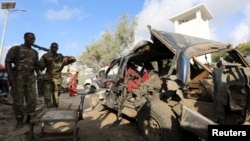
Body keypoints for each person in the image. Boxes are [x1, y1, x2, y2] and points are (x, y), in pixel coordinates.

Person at [5, 32, 41, 128]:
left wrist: (39, 75)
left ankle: (29, 118)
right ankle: (19, 120)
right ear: (24, 38)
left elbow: (36, 66)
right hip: (18, 78)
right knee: (18, 101)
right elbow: (8, 62)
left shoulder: (35, 52)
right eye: (30, 38)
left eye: (34, 39)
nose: (32, 40)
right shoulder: (16, 49)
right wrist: (10, 76)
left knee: (32, 100)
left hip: (30, 78)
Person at [39, 42, 76, 108]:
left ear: (57, 49)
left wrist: (66, 58)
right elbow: (41, 67)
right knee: (47, 97)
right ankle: (48, 110)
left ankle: (55, 109)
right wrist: (46, 60)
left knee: (56, 97)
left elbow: (73, 59)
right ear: (50, 48)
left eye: (56, 48)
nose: (54, 49)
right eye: (53, 47)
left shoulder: (60, 57)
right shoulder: (46, 56)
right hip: (48, 79)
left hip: (57, 80)